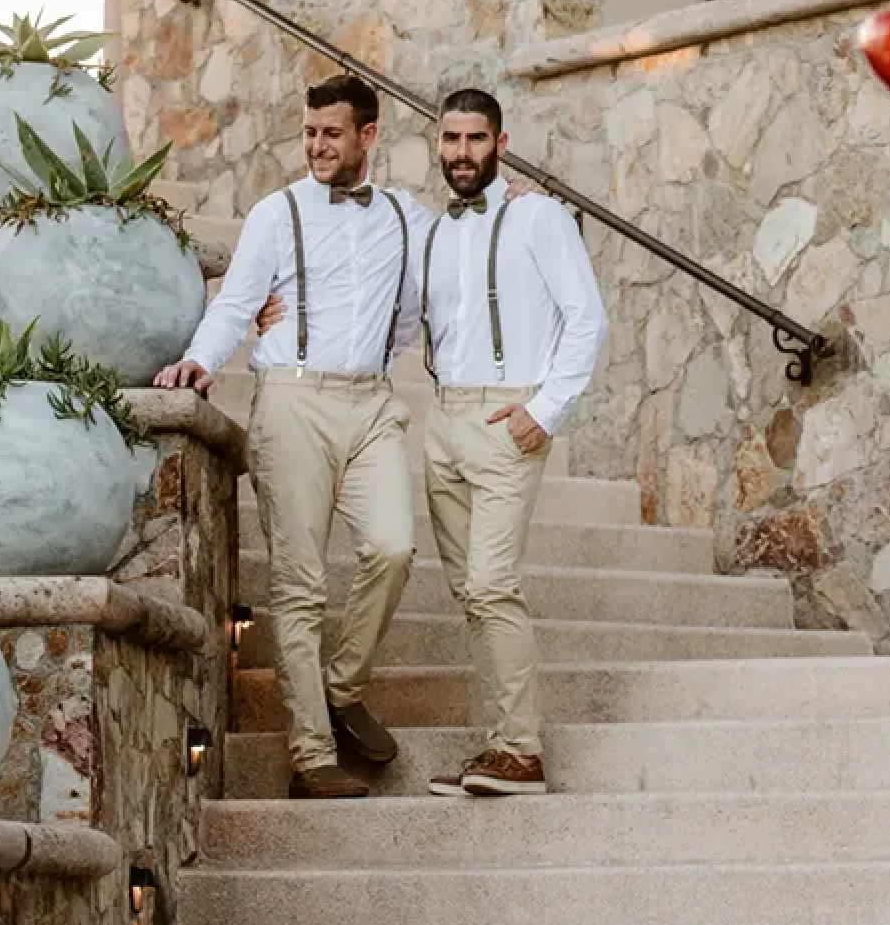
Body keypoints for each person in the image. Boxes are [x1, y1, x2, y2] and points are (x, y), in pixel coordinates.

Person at [155, 74, 431, 800]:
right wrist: (200, 359)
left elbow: (414, 310)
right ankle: (311, 756)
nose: (315, 146)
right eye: (309, 132)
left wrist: (514, 202)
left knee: (393, 547)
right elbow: (238, 303)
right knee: (299, 586)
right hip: (292, 401)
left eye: (331, 134)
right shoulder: (276, 214)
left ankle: (342, 687)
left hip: (370, 403)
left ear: (368, 136)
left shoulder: (408, 216)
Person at [415, 88, 606, 797]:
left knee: (493, 584)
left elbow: (586, 318)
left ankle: (522, 750)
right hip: (444, 421)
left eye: (474, 139)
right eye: (450, 140)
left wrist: (547, 408)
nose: (461, 153)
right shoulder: (436, 230)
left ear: (500, 141)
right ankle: (495, 746)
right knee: (472, 594)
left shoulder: (538, 217)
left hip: (506, 418)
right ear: (437, 144)